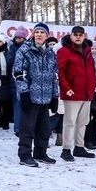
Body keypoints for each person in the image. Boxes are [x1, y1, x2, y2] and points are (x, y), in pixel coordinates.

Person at [13, 22, 60, 167]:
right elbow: (18, 74)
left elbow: (54, 76)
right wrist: (24, 92)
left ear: (47, 35)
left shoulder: (50, 53)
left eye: (42, 32)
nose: (39, 35)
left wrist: (55, 96)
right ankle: (25, 155)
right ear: (33, 34)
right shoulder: (25, 50)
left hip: (45, 97)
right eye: (37, 32)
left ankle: (40, 153)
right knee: (27, 128)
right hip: (30, 97)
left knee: (44, 129)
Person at [56, 26, 96, 161]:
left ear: (84, 36)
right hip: (72, 92)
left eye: (80, 34)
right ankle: (66, 149)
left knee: (83, 122)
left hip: (86, 92)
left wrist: (93, 86)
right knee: (70, 122)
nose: (78, 37)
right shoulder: (64, 51)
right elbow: (60, 72)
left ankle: (79, 147)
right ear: (71, 36)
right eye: (75, 34)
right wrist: (66, 88)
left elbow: (92, 70)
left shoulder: (87, 51)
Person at [7, 26, 28, 135]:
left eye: (21, 38)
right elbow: (9, 62)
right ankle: (18, 128)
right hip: (15, 80)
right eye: (17, 38)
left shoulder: (29, 48)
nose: (18, 40)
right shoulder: (12, 49)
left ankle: (25, 126)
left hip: (27, 80)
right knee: (17, 105)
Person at [0, 34, 13, 130]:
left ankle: (5, 121)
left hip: (5, 82)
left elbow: (10, 66)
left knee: (5, 103)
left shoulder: (8, 54)